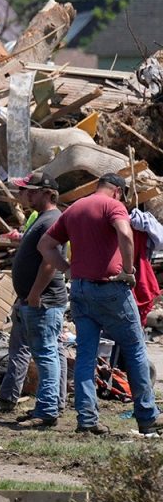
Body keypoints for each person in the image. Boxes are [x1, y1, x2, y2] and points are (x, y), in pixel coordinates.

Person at [38, 173, 163, 435]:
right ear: (118, 191)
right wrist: (128, 270)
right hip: (110, 287)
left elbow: (46, 245)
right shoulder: (113, 205)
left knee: (86, 353)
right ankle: (147, 417)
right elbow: (126, 235)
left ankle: (86, 420)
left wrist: (69, 269)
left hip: (81, 289)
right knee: (135, 348)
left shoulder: (73, 209)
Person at [0, 173, 68, 424]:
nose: (24, 195)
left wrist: (34, 294)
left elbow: (50, 264)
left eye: (30, 191)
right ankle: (49, 406)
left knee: (46, 354)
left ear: (47, 193)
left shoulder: (52, 220)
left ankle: (48, 410)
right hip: (33, 299)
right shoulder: (42, 219)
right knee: (47, 352)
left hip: (43, 300)